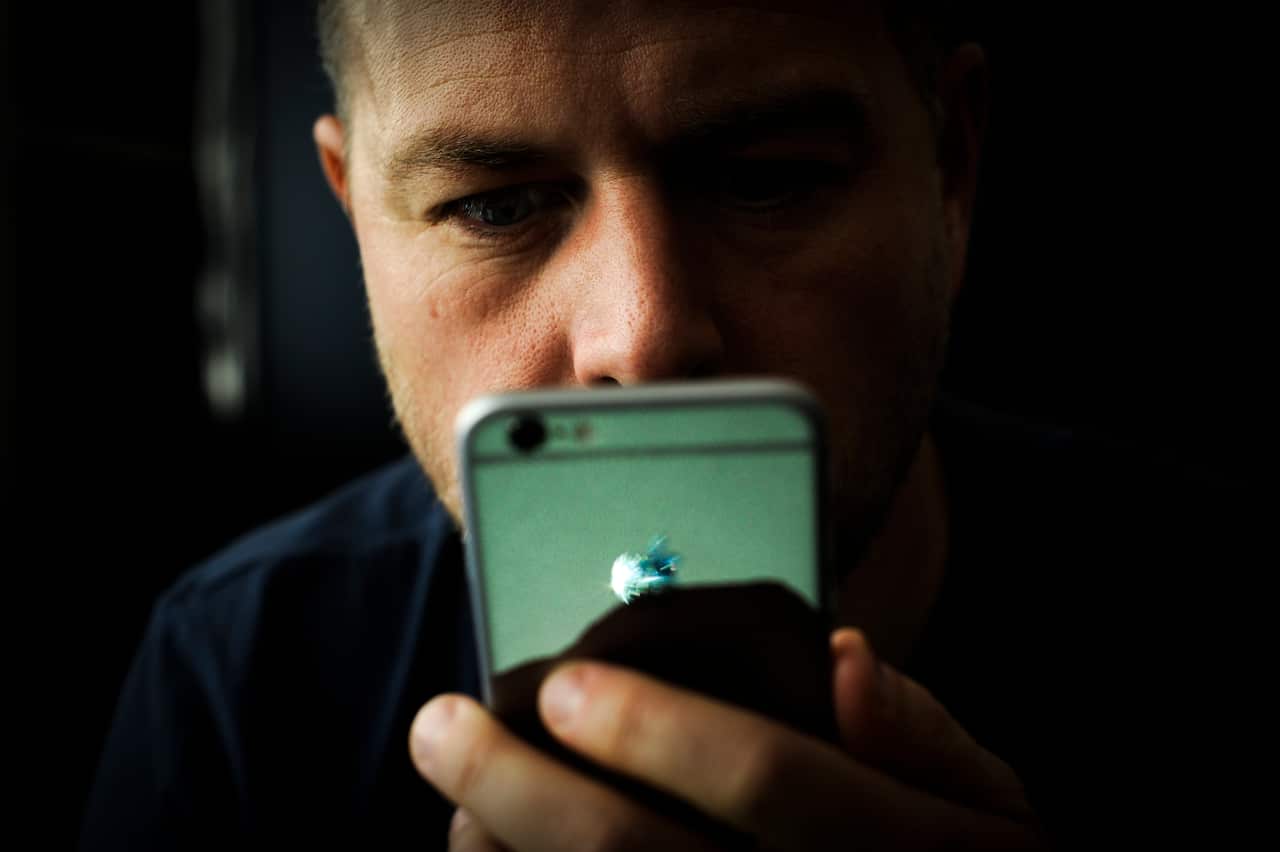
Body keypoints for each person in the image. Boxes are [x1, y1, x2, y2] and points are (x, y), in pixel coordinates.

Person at [79, 1, 1237, 849]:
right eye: (491, 206)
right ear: (357, 226)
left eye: (770, 179)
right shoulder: (233, 682)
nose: (640, 342)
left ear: (948, 170)